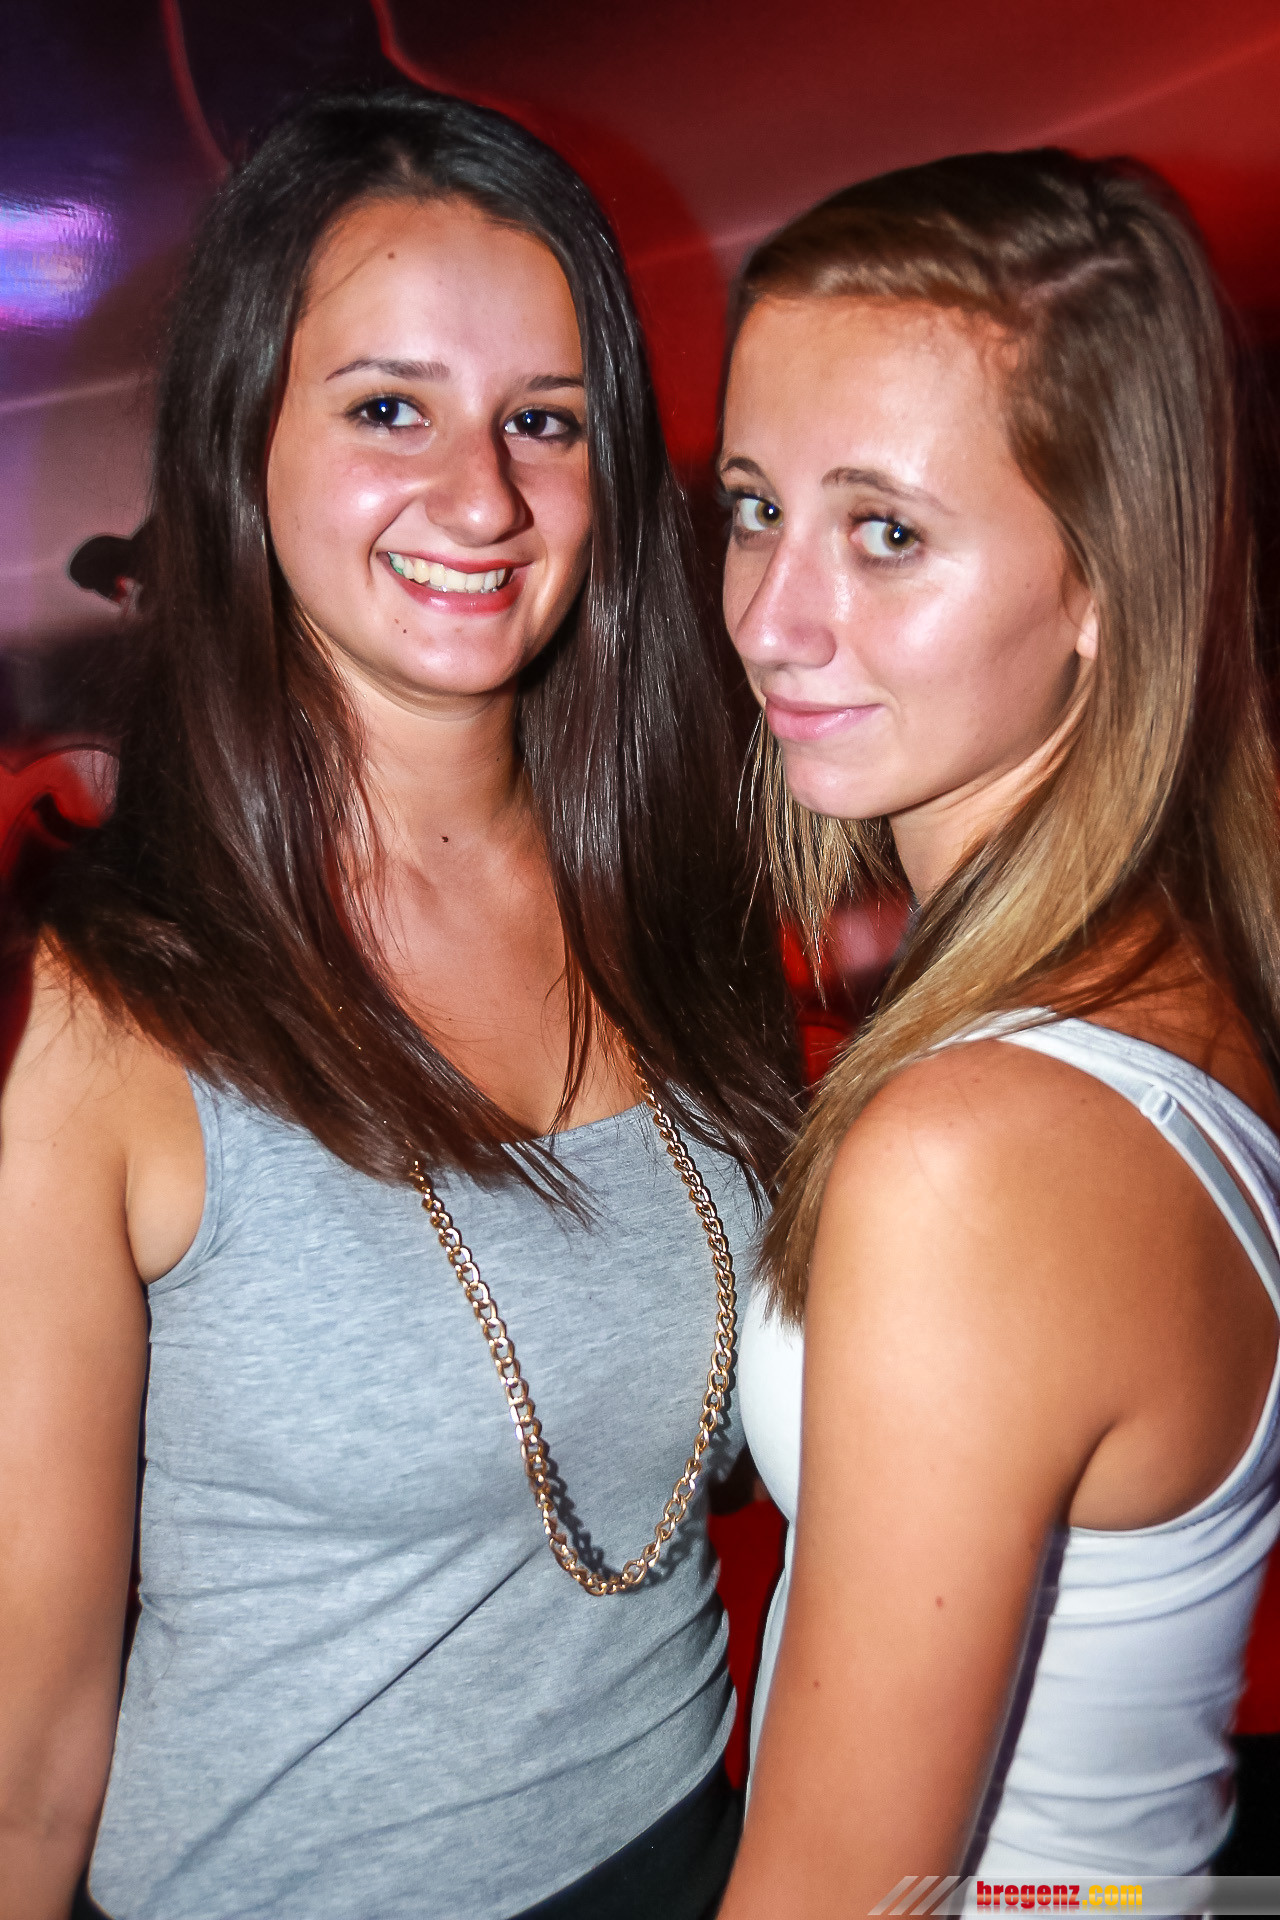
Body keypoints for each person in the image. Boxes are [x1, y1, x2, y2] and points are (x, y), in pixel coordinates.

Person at [0, 87, 796, 1920]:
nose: (484, 496)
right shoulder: (118, 1020)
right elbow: (28, 1741)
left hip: (704, 1851)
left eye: (545, 420)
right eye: (387, 409)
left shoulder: (684, 901)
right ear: (242, 444)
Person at [710, 149, 1280, 1911]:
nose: (772, 618)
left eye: (885, 532)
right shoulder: (1177, 980)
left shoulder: (973, 1153)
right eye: (751, 506)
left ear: (1106, 577)